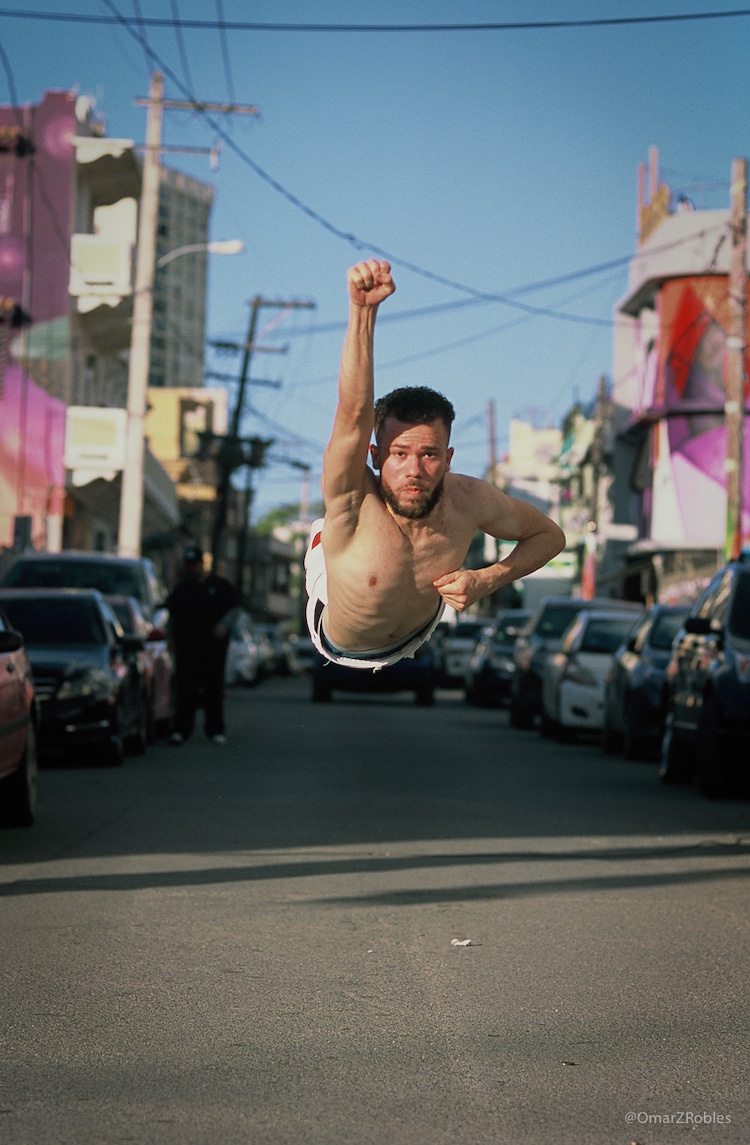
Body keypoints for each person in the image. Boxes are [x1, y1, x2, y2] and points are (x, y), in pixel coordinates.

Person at [305, 258, 566, 671]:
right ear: (375, 457)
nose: (414, 469)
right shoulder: (354, 494)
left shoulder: (468, 498)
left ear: (447, 459)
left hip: (415, 634)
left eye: (428, 455)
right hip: (336, 634)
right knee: (333, 531)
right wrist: (363, 311)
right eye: (399, 454)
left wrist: (486, 579)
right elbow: (353, 412)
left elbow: (549, 535)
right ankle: (323, 543)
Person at [166, 546, 240, 744]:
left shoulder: (220, 586)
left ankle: (215, 730)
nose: (191, 568)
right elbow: (171, 615)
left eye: (194, 564)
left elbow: (234, 609)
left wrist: (224, 625)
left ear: (202, 564)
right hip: (187, 647)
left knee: (213, 689)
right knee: (185, 689)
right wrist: (170, 638)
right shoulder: (182, 589)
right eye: (188, 565)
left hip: (213, 648)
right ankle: (181, 730)